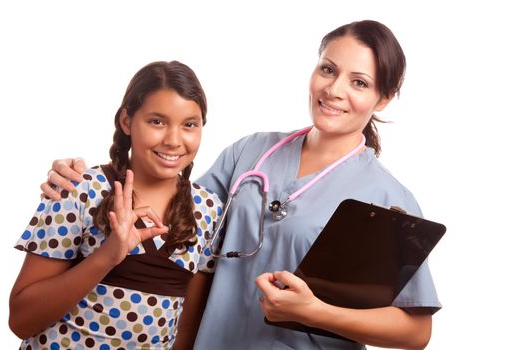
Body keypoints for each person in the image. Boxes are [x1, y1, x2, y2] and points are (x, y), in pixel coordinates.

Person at [39, 20, 440, 350]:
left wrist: (312, 311)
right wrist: (84, 177)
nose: (334, 90)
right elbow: (171, 215)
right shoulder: (251, 152)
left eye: (359, 82)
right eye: (328, 69)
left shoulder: (388, 198)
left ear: (383, 99)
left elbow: (414, 331)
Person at [9, 61, 222, 350]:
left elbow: (186, 330)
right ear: (126, 121)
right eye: (157, 121)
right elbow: (21, 320)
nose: (173, 140)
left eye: (189, 125)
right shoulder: (80, 189)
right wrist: (108, 255)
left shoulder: (208, 210)